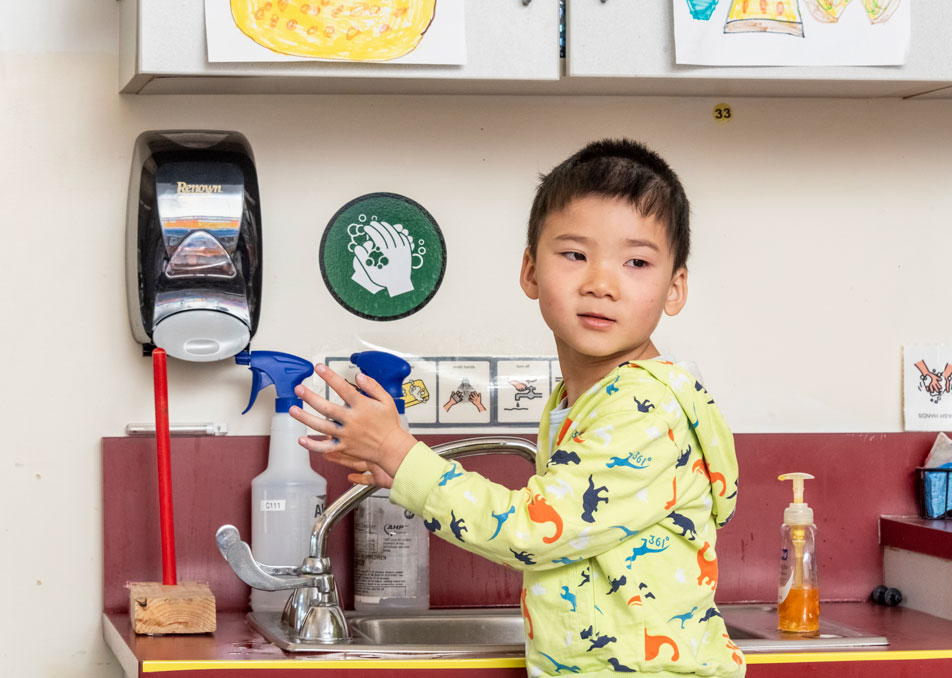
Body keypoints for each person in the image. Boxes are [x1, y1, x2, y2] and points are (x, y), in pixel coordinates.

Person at [290, 138, 745, 677]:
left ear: (675, 288)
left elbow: (534, 529)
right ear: (530, 271)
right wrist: (398, 467)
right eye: (575, 255)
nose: (601, 283)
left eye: (636, 262)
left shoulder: (644, 406)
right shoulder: (580, 400)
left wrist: (402, 453)